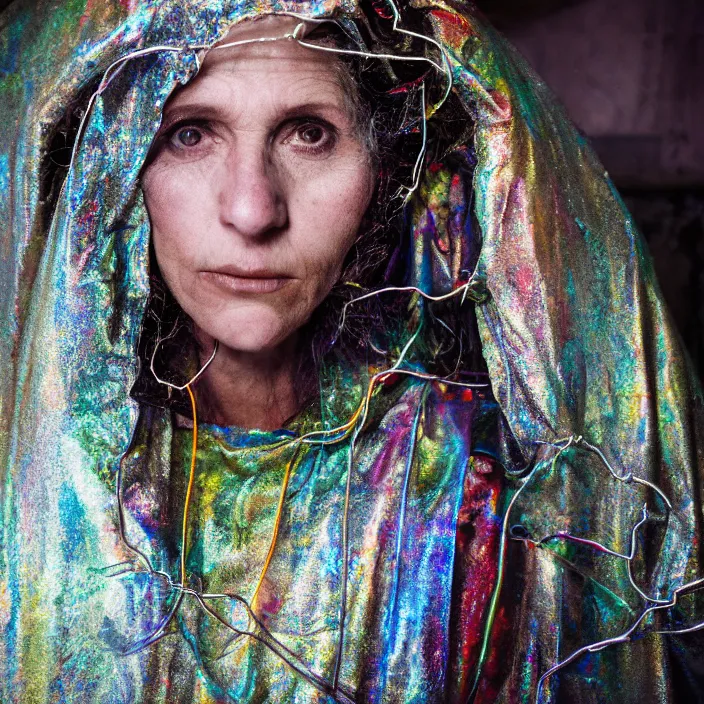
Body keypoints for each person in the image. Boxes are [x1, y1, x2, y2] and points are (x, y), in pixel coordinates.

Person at [0, 1, 702, 703]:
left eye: (310, 133)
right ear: (111, 175)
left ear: (386, 171)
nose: (252, 210)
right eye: (189, 133)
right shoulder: (35, 492)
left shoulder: (477, 502)